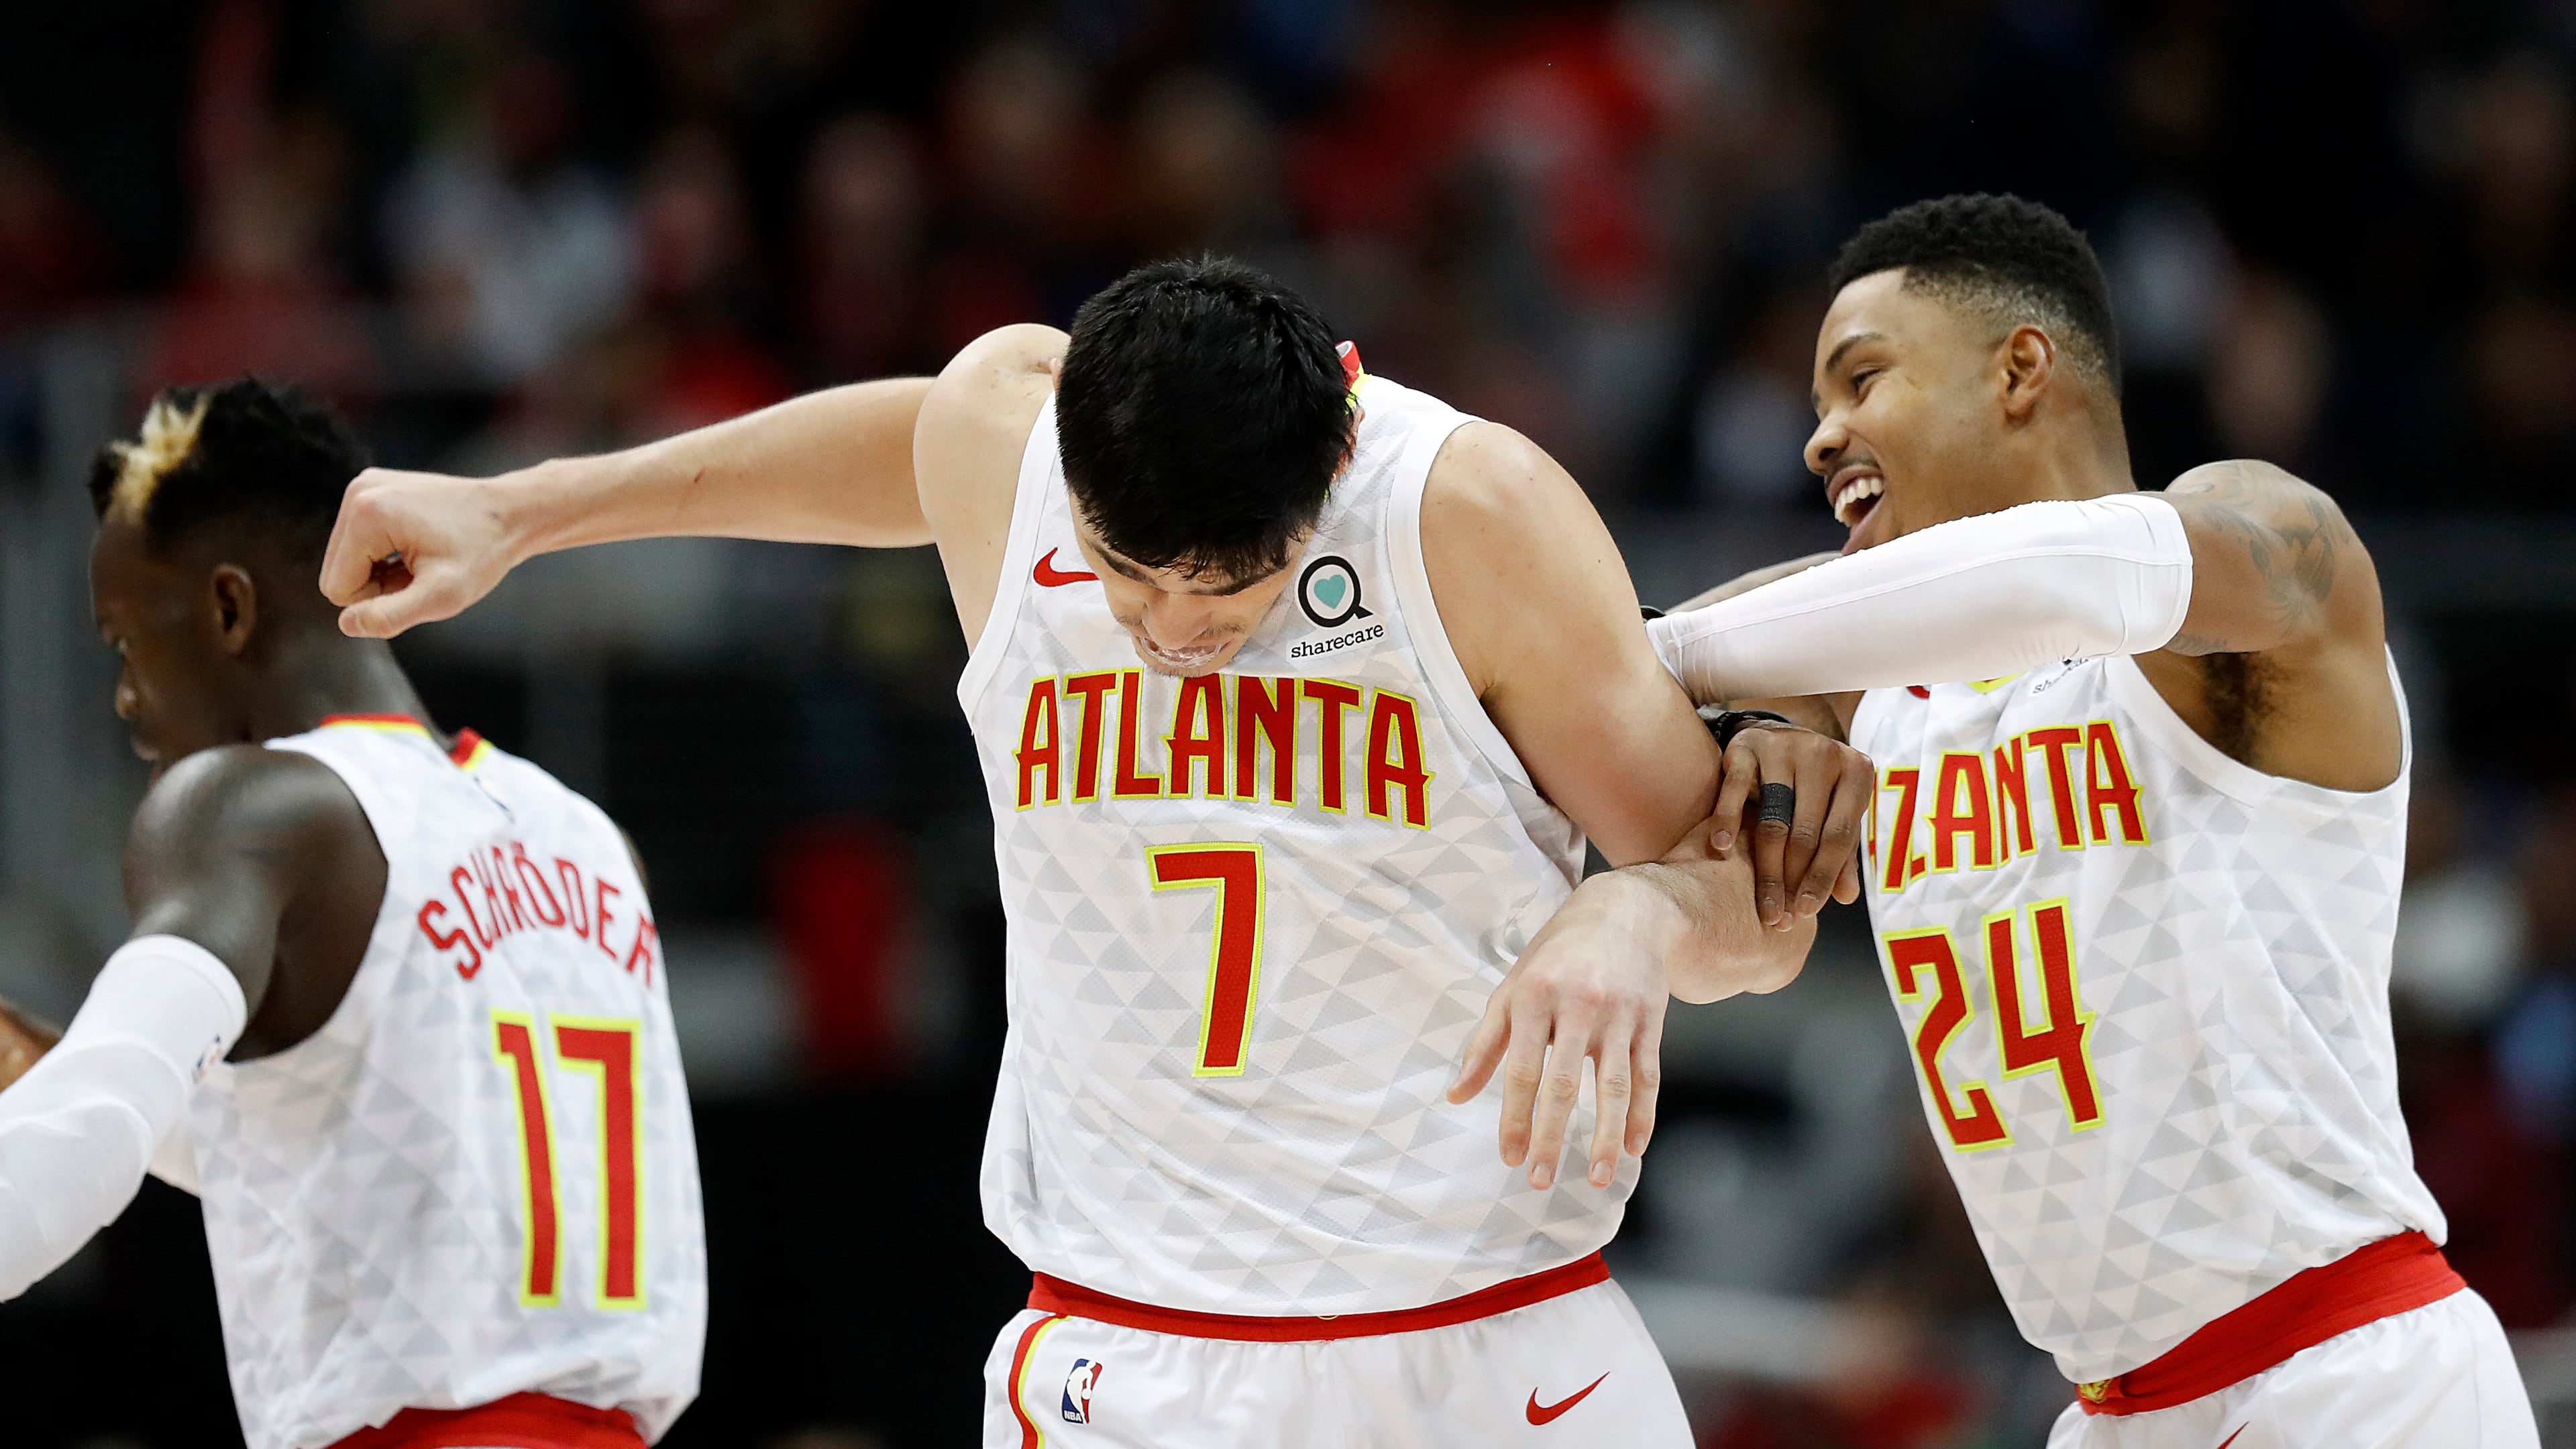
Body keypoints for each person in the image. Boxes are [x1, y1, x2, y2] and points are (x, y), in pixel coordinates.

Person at [318, 255, 1874, 1446]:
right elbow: (911, 436)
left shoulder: (1470, 516)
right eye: (1132, 579)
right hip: (1119, 1362)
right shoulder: (1010, 445)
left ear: (1326, 473)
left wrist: (1630, 920)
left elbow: (1760, 921)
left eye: (1229, 591)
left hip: (1476, 1350)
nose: (1175, 632)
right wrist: (521, 512)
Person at [1583, 194, 2536, 1446]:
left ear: (2021, 367)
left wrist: (1689, 655)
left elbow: (2066, 573)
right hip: (2112, 1408)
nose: (1821, 440)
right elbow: (1607, 698)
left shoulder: (2259, 552)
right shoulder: (1874, 688)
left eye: (1863, 380)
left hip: (2345, 1372)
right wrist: (1759, 723)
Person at [0, 378, 706, 1449]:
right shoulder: (588, 837)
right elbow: (360, 1153)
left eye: (124, 642)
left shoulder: (248, 806)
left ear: (228, 609)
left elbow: (82, 1139)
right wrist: (62, 1066)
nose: (126, 700)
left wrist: (88, 1088)